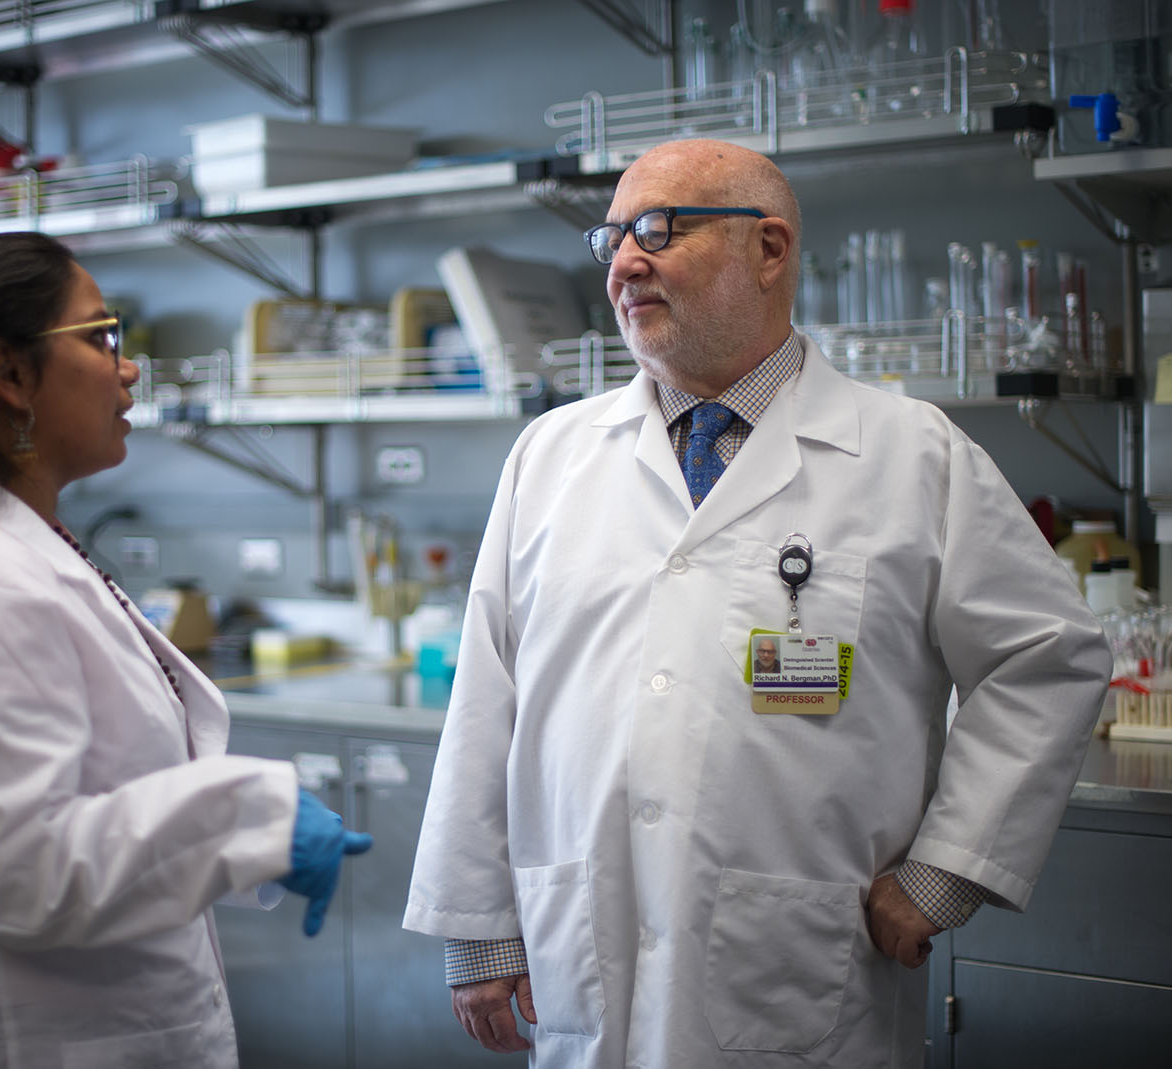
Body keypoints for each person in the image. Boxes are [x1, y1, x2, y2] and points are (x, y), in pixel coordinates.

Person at [402, 140, 1111, 1067]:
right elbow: (485, 701)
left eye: (657, 230)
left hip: (804, 971)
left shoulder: (911, 455)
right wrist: (480, 926)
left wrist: (946, 872)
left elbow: (1048, 657)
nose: (623, 262)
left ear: (769, 249)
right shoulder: (551, 455)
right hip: (584, 962)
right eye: (610, 238)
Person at [0, 230, 371, 1069]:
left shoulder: (7, 548)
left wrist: (245, 832)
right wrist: (246, 817)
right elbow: (14, 866)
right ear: (9, 373)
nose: (127, 368)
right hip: (13, 1038)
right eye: (100, 337)